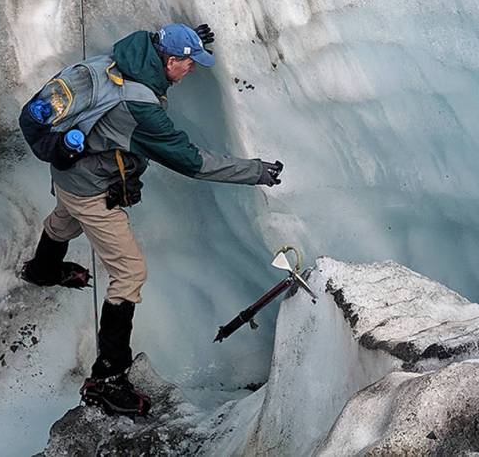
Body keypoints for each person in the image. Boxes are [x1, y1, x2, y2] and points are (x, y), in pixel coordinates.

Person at [21, 23, 284, 417]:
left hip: (68, 175)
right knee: (129, 273)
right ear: (170, 61)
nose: (193, 70)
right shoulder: (141, 108)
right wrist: (254, 171)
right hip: (89, 187)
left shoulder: (125, 58)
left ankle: (42, 270)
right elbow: (191, 161)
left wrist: (189, 40)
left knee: (65, 217)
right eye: (189, 63)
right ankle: (107, 380)